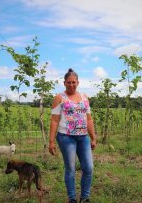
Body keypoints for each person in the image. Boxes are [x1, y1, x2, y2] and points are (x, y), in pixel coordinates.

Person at [49, 68, 97, 203]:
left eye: (74, 82)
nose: (71, 85)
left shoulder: (84, 97)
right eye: (69, 82)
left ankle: (85, 197)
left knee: (88, 168)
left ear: (78, 82)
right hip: (66, 137)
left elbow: (88, 118)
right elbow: (54, 120)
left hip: (83, 137)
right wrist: (51, 141)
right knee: (70, 168)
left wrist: (93, 137)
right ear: (64, 83)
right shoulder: (59, 98)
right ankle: (72, 198)